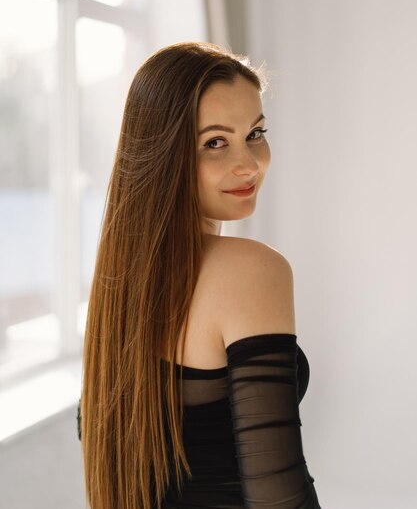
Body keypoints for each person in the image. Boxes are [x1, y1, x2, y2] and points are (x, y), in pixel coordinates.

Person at [77, 41, 322, 509]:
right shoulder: (251, 269)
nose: (249, 164)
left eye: (255, 133)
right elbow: (280, 497)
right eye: (214, 142)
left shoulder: (119, 285)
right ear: (163, 153)